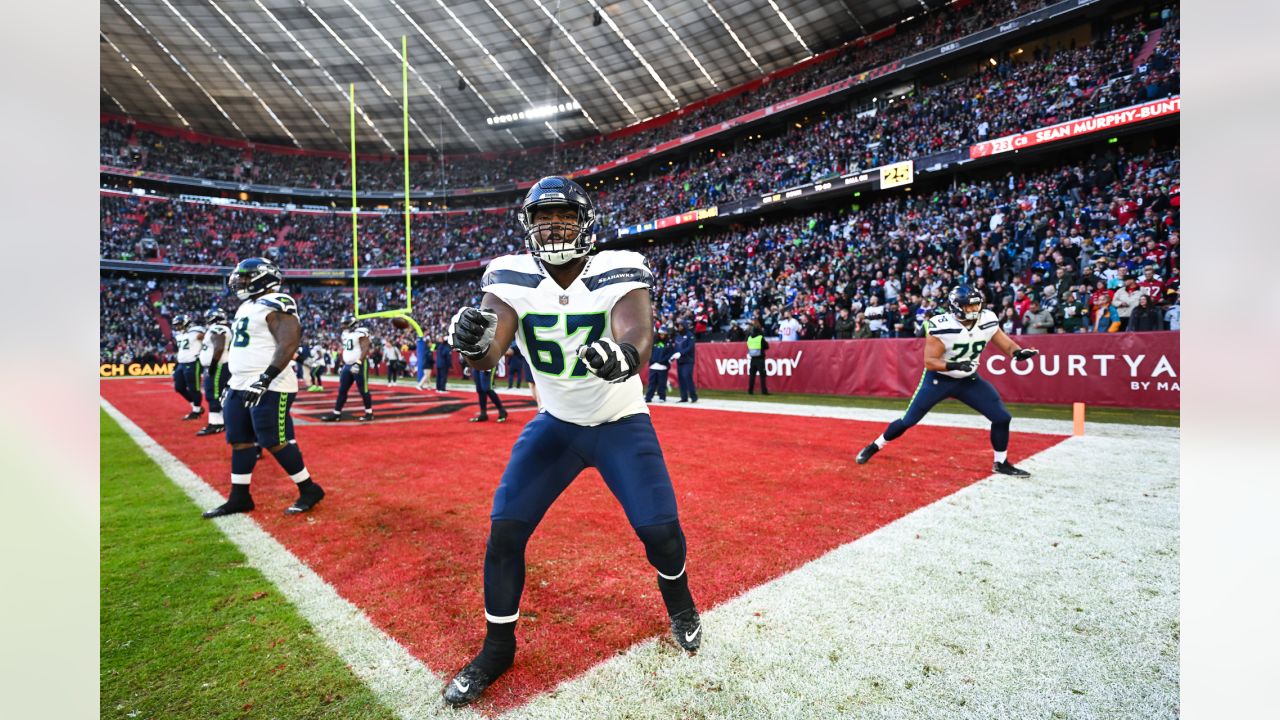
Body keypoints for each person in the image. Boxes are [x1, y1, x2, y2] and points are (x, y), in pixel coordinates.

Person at [441, 176, 701, 706]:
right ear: (527, 226)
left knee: (662, 533)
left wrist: (623, 358)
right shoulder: (510, 276)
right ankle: (497, 648)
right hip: (556, 423)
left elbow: (635, 333)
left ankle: (680, 603)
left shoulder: (617, 268)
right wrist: (472, 347)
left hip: (620, 420)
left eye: (562, 215)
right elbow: (492, 350)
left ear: (585, 221)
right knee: (506, 532)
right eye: (541, 217)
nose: (551, 225)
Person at [855, 285, 1039, 477]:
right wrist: (955, 366)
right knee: (908, 420)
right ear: (956, 307)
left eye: (976, 306)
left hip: (968, 379)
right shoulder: (941, 325)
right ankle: (875, 445)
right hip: (939, 379)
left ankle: (1001, 463)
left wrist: (1017, 353)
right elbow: (930, 362)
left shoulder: (988, 319)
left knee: (1002, 417)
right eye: (969, 307)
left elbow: (1006, 343)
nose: (974, 310)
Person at [201, 258, 324, 518]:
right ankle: (240, 497)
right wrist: (232, 381)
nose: (241, 282)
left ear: (264, 277)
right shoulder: (246, 306)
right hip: (240, 381)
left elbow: (288, 343)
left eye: (246, 277)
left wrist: (265, 378)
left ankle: (309, 489)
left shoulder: (278, 301)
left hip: (272, 383)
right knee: (239, 441)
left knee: (273, 440)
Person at [320, 316, 374, 422]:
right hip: (347, 365)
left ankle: (369, 413)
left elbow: (365, 348)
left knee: (363, 389)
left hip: (359, 364)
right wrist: (343, 363)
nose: (342, 326)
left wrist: (358, 363)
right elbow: (348, 350)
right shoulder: (345, 334)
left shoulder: (361, 333)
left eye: (344, 323)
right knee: (342, 390)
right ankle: (336, 413)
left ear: (351, 324)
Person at [195, 307, 231, 436]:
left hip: (219, 366)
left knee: (214, 395)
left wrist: (212, 366)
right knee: (214, 394)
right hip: (218, 365)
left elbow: (219, 347)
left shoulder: (218, 329)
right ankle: (219, 421)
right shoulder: (216, 329)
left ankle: (217, 424)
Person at [171, 313, 205, 421]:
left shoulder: (196, 331)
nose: (177, 327)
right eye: (176, 325)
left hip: (193, 362)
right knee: (179, 387)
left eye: (179, 324)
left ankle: (196, 411)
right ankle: (195, 406)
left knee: (194, 388)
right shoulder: (179, 334)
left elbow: (208, 338)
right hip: (181, 363)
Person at [645, 329, 674, 403]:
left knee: (662, 383)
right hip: (653, 366)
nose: (662, 336)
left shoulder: (668, 343)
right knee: (652, 383)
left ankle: (662, 397)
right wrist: (652, 360)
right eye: (660, 334)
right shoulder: (654, 342)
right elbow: (649, 352)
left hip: (663, 366)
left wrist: (663, 361)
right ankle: (648, 397)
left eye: (663, 334)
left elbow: (670, 354)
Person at [673, 322, 698, 403]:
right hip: (680, 360)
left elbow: (690, 347)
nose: (679, 327)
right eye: (678, 326)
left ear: (684, 326)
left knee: (687, 376)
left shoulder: (690, 335)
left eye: (680, 325)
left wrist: (681, 353)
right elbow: (676, 347)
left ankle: (693, 396)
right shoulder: (678, 336)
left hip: (688, 360)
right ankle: (684, 397)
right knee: (681, 379)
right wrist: (673, 355)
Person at [746, 319, 770, 395]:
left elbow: (748, 347)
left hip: (752, 359)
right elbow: (766, 346)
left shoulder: (749, 338)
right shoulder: (760, 338)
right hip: (760, 359)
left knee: (752, 376)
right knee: (762, 376)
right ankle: (764, 391)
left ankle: (750, 390)